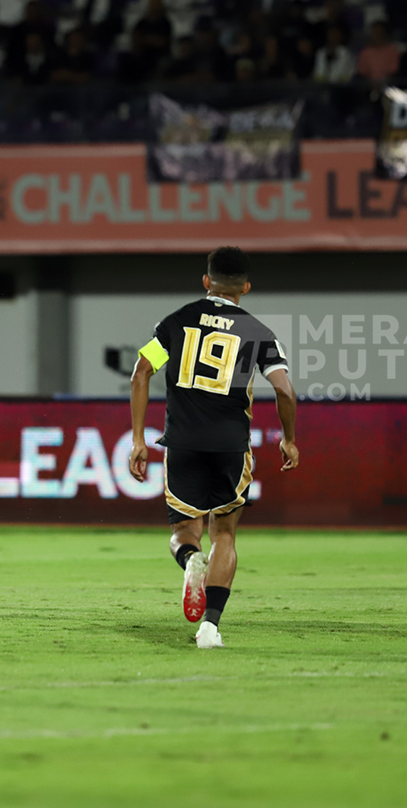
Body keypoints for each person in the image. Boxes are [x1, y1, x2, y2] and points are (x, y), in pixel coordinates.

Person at [127, 247, 299, 650]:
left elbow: (140, 373)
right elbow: (284, 390)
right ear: (246, 288)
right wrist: (288, 438)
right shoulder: (258, 332)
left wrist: (138, 439)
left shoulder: (174, 322)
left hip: (183, 442)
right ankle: (211, 628)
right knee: (225, 533)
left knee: (184, 532)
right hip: (230, 446)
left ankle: (190, 561)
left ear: (206, 282)